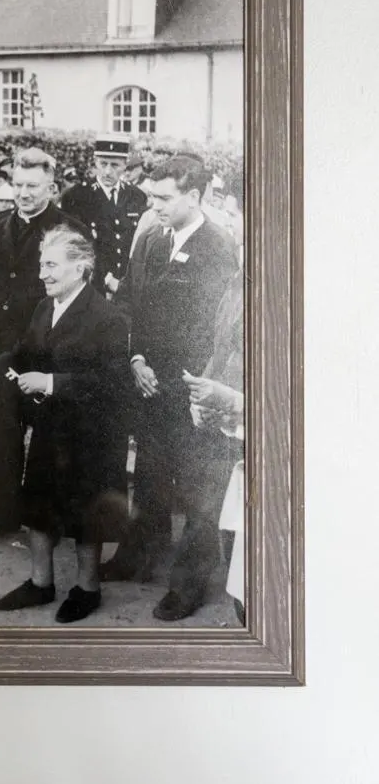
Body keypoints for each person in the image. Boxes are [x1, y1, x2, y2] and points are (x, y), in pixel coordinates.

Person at [0, 228, 130, 622]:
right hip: (49, 426)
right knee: (39, 505)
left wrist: (52, 382)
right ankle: (41, 583)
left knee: (86, 513)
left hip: (90, 433)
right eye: (42, 264)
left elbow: (113, 382)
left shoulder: (107, 317)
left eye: (52, 265)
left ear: (81, 267)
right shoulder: (44, 307)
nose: (43, 273)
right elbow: (24, 352)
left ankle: (87, 589)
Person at [108, 155, 237, 621]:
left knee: (200, 485)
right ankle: (139, 554)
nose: (154, 205)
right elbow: (131, 303)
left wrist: (204, 385)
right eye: (151, 197)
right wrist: (137, 359)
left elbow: (220, 328)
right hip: (150, 379)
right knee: (150, 472)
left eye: (163, 198)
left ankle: (189, 584)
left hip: (196, 385)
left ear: (194, 196)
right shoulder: (151, 238)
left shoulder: (218, 247)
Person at [0, 148, 84, 539]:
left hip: (47, 355)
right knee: (6, 436)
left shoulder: (69, 229)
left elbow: (79, 299)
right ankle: (4, 513)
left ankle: (51, 518)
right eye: (17, 184)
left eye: (33, 186)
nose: (23, 193)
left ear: (52, 187)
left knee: (52, 439)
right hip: (2, 354)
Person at [184, 178, 245, 622]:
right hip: (225, 425)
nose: (232, 223)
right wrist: (203, 392)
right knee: (214, 518)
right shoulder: (238, 280)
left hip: (254, 434)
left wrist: (233, 400)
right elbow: (220, 346)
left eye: (236, 214)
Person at [60, 137, 147, 297]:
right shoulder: (76, 197)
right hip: (91, 288)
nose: (108, 171)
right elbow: (71, 247)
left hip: (125, 287)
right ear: (95, 162)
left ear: (125, 165)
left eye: (115, 165)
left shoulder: (137, 196)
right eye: (103, 164)